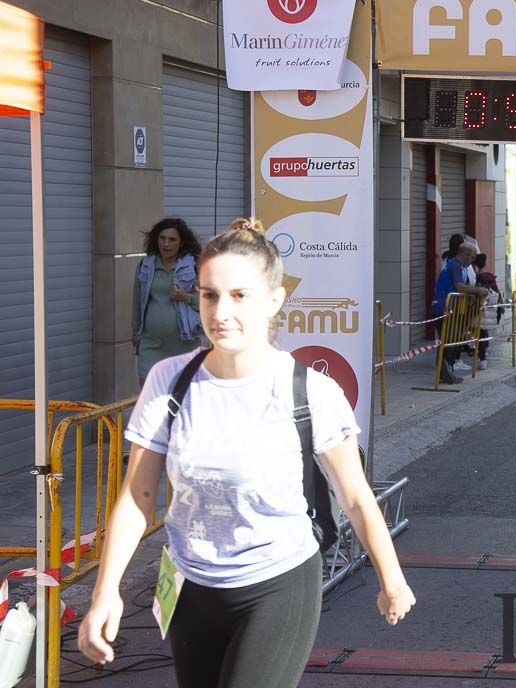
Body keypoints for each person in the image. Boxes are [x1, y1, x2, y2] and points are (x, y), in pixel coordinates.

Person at [78, 218, 415, 686]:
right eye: (209, 294)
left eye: (239, 296)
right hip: (189, 583)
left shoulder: (309, 391)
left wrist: (391, 578)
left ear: (274, 301)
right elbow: (137, 497)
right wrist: (105, 592)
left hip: (278, 582)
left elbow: (354, 497)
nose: (220, 312)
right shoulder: (169, 381)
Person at [132, 218, 205, 384]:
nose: (166, 244)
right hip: (151, 345)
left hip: (184, 345)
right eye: (162, 238)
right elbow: (137, 299)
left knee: (181, 401)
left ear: (181, 243)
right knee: (149, 399)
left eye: (172, 239)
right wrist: (136, 330)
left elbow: (210, 303)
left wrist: (185, 297)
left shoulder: (194, 265)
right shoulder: (146, 265)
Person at [432, 241, 490, 384]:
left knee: (452, 340)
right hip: (444, 308)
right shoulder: (455, 265)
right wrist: (478, 291)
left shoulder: (460, 266)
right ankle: (445, 372)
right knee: (449, 341)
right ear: (465, 255)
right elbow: (459, 287)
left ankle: (444, 372)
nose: (472, 261)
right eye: (472, 257)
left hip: (453, 308)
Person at [474, 252, 503, 369]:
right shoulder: (491, 277)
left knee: (480, 333)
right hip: (492, 311)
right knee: (484, 333)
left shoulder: (479, 279)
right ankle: (484, 352)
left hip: (481, 311)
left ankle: (482, 359)